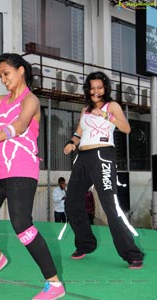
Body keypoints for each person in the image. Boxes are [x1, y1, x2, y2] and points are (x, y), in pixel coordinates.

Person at [0, 53, 65, 300]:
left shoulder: (32, 101)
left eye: (6, 73)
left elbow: (20, 125)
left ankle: (54, 284)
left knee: (22, 226)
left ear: (20, 71)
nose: (3, 79)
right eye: (0, 75)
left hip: (22, 170)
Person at [63, 71, 144, 268]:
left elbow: (126, 128)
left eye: (100, 87)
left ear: (105, 88)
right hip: (83, 158)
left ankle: (132, 253)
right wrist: (71, 143)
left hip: (102, 156)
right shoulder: (85, 109)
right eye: (93, 88)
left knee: (109, 205)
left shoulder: (112, 105)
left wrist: (107, 115)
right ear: (87, 89)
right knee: (71, 202)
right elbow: (79, 133)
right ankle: (85, 243)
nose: (96, 91)